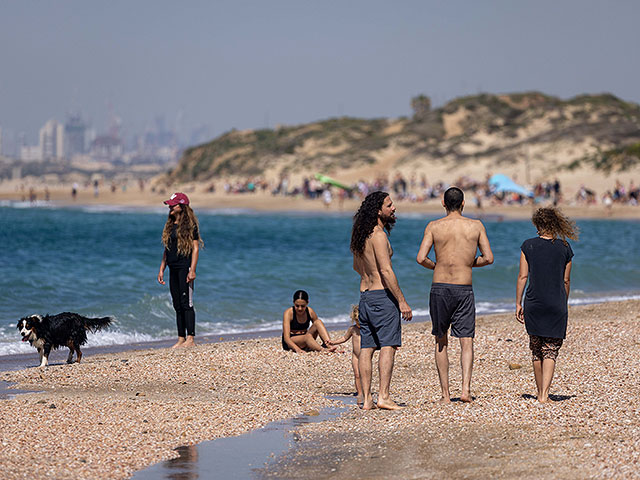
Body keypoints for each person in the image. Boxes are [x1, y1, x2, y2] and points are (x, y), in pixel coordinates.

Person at [416, 186, 493, 403]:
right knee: (466, 341)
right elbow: (488, 258)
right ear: (463, 204)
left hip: (439, 286)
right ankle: (466, 391)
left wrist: (437, 266)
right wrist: (467, 263)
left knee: (441, 340)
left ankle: (445, 395)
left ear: (443, 203)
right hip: (464, 287)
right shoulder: (476, 226)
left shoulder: (433, 226)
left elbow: (421, 258)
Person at [351, 191, 412, 410]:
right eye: (389, 205)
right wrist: (402, 301)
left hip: (365, 297)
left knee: (367, 348)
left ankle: (367, 399)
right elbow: (386, 271)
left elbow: (357, 267)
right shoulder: (378, 235)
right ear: (378, 211)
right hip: (381, 297)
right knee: (388, 346)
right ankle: (383, 396)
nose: (393, 208)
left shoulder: (361, 235)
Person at [516, 207, 578, 403]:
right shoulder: (565, 248)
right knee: (550, 349)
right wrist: (563, 301)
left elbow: (522, 276)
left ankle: (539, 392)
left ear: (537, 225)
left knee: (536, 349)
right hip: (556, 304)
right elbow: (566, 281)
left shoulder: (528, 245)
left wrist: (518, 303)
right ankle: (545, 395)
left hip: (533, 303)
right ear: (556, 224)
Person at [157, 192, 203, 348]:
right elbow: (167, 249)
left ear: (182, 206)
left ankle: (190, 338)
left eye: (173, 204)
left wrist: (193, 270)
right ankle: (181, 338)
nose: (170, 206)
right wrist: (162, 268)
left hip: (185, 267)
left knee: (186, 303)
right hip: (172, 268)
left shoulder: (190, 226)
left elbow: (195, 249)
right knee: (176, 303)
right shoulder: (170, 225)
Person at [329, 305, 363, 405]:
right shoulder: (352, 329)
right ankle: (360, 392)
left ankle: (366, 391)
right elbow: (344, 338)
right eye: (357, 321)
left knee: (365, 375)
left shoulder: (368, 329)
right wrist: (333, 342)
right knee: (357, 375)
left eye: (361, 321)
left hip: (365, 356)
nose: (359, 323)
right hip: (355, 356)